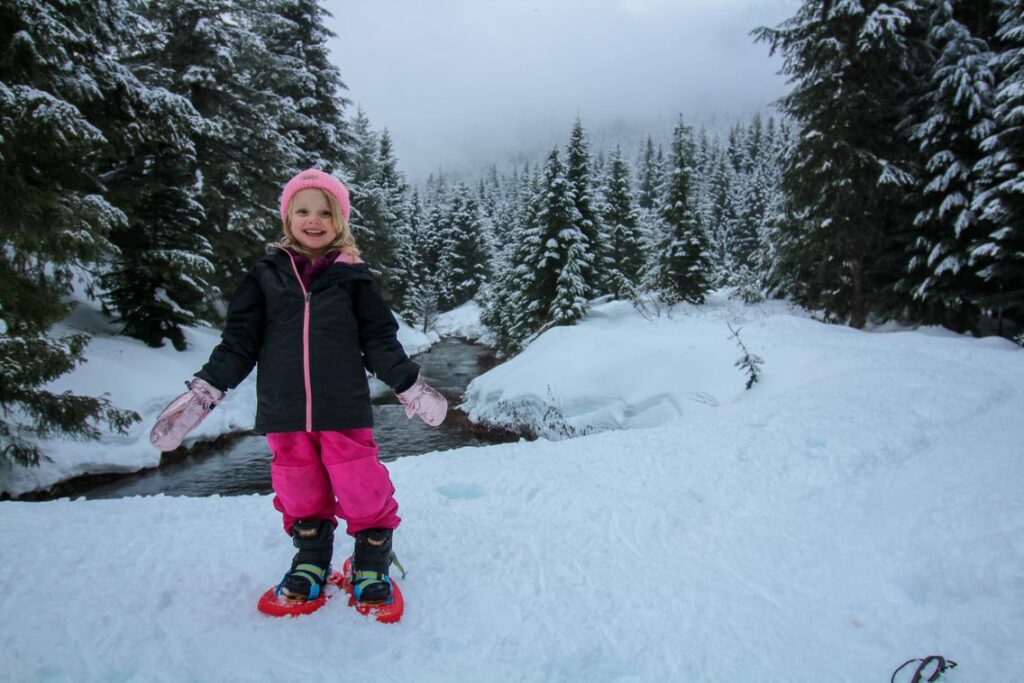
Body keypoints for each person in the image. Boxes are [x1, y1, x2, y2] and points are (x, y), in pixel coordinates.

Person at [149, 168, 448, 604]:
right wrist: (205, 392)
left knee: (362, 484)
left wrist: (410, 385)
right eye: (303, 210)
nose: (314, 220)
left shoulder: (355, 279)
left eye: (325, 212)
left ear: (339, 221)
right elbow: (238, 344)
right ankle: (310, 558)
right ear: (288, 217)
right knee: (298, 488)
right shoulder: (264, 278)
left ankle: (371, 559)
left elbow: (379, 342)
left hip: (343, 408)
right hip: (283, 410)